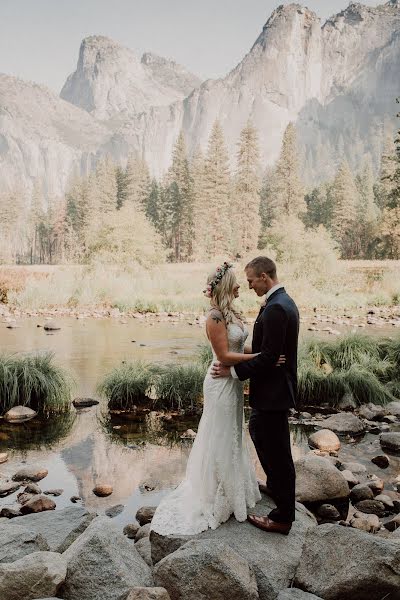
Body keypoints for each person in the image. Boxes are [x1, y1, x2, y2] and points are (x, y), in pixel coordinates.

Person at [150, 261, 285, 536]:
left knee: (232, 434)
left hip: (231, 382)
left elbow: (239, 345)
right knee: (220, 434)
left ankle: (233, 487)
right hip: (220, 382)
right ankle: (215, 493)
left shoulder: (230, 313)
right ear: (225, 285)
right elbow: (224, 356)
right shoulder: (213, 317)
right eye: (237, 281)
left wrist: (261, 352)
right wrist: (263, 359)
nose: (241, 286)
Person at [212, 256, 299, 536]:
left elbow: (271, 356)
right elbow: (267, 352)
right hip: (274, 390)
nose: (249, 286)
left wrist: (234, 373)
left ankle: (283, 516)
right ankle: (275, 487)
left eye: (251, 280)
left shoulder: (276, 308)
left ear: (264, 276)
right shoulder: (282, 302)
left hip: (273, 392)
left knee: (276, 451)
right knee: (265, 437)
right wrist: (262, 356)